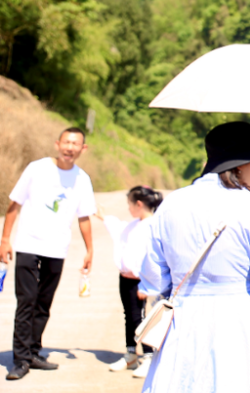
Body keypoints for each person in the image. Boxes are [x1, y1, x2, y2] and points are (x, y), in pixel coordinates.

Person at [138, 121, 250, 393]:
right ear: (240, 164)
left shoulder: (172, 204)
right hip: (239, 323)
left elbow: (153, 279)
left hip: (183, 323)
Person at [1, 127, 97, 382]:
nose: (70, 147)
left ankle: (33, 351)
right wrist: (5, 239)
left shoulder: (82, 179)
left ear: (82, 149)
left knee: (43, 303)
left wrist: (90, 250)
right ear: (57, 144)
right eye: (66, 142)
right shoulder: (37, 169)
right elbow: (15, 204)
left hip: (57, 248)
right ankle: (20, 360)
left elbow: (84, 216)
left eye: (76, 144)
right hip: (29, 245)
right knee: (27, 301)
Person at [95, 186, 164, 378]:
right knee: (130, 317)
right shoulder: (134, 224)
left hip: (140, 282)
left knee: (140, 319)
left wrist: (147, 285)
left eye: (130, 204)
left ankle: (149, 356)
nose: (128, 208)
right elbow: (119, 229)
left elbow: (154, 257)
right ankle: (131, 353)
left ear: (139, 204)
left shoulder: (153, 226)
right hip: (125, 279)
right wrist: (104, 217)